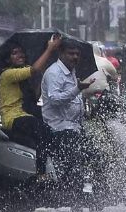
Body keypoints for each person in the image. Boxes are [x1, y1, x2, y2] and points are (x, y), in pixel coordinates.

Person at [0, 34, 61, 174]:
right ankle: (41, 173)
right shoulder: (7, 74)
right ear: (7, 59)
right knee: (43, 132)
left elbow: (34, 97)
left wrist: (41, 77)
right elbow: (34, 70)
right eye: (15, 53)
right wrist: (49, 50)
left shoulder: (20, 78)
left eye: (21, 52)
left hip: (24, 114)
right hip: (14, 118)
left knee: (52, 129)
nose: (20, 55)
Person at [41, 41, 99, 200]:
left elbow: (75, 98)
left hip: (74, 127)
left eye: (77, 54)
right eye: (71, 53)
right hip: (60, 128)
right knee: (76, 162)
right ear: (61, 53)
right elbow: (54, 99)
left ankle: (95, 195)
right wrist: (77, 89)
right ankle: (75, 199)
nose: (75, 57)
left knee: (97, 155)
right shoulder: (54, 73)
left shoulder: (71, 71)